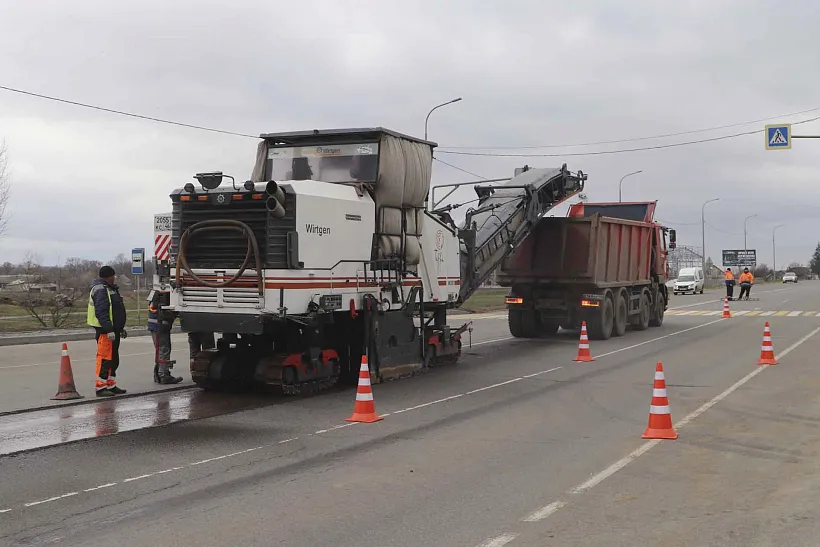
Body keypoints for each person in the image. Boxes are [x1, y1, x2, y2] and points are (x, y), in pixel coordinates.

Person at [87, 266, 128, 397]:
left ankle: (111, 384)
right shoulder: (101, 290)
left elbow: (115, 311)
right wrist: (109, 329)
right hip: (105, 332)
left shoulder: (110, 289)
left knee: (113, 359)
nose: (114, 278)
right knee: (105, 359)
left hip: (113, 330)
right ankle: (100, 387)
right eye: (113, 276)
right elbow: (102, 312)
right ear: (108, 277)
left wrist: (119, 328)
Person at [148, 290, 183, 385]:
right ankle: (164, 376)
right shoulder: (168, 295)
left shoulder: (156, 293)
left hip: (154, 325)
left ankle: (158, 374)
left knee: (159, 350)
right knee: (164, 350)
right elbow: (169, 311)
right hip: (161, 326)